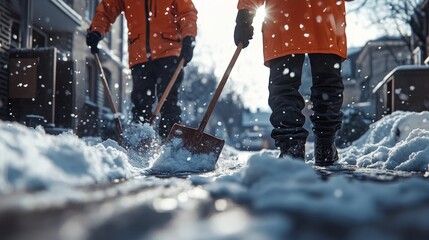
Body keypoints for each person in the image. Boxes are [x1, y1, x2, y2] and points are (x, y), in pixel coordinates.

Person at [234, 0, 353, 166]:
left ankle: (291, 149)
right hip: (325, 17)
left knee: (284, 87)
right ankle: (325, 146)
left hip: (284, 17)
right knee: (328, 85)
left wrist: (245, 14)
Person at [86, 0, 198, 139]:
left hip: (169, 53)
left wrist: (189, 37)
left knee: (168, 102)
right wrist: (96, 30)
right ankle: (140, 143)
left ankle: (170, 145)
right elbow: (107, 10)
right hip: (140, 56)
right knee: (140, 103)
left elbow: (186, 12)